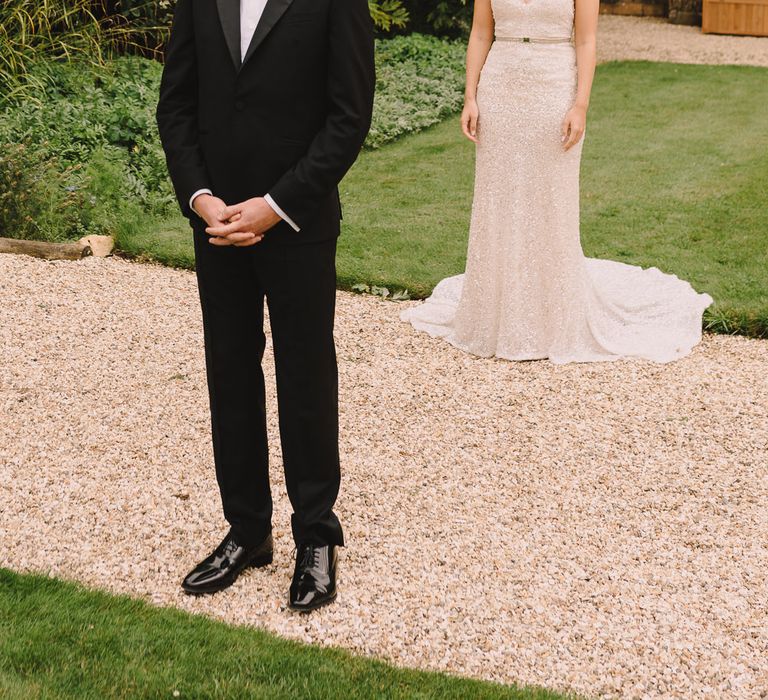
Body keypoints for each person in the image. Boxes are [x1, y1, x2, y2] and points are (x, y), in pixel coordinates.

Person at [156, 0, 375, 611]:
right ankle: (248, 531)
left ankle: (316, 538)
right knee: (229, 371)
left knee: (304, 376)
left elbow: (349, 115)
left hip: (297, 222)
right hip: (217, 223)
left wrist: (275, 205)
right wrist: (202, 199)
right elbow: (175, 104)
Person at [401, 0, 712, 364]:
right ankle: (495, 313)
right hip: (500, 88)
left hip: (554, 87)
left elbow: (586, 41)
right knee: (497, 196)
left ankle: (551, 316)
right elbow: (482, 33)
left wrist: (580, 105)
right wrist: (470, 96)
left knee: (551, 199)